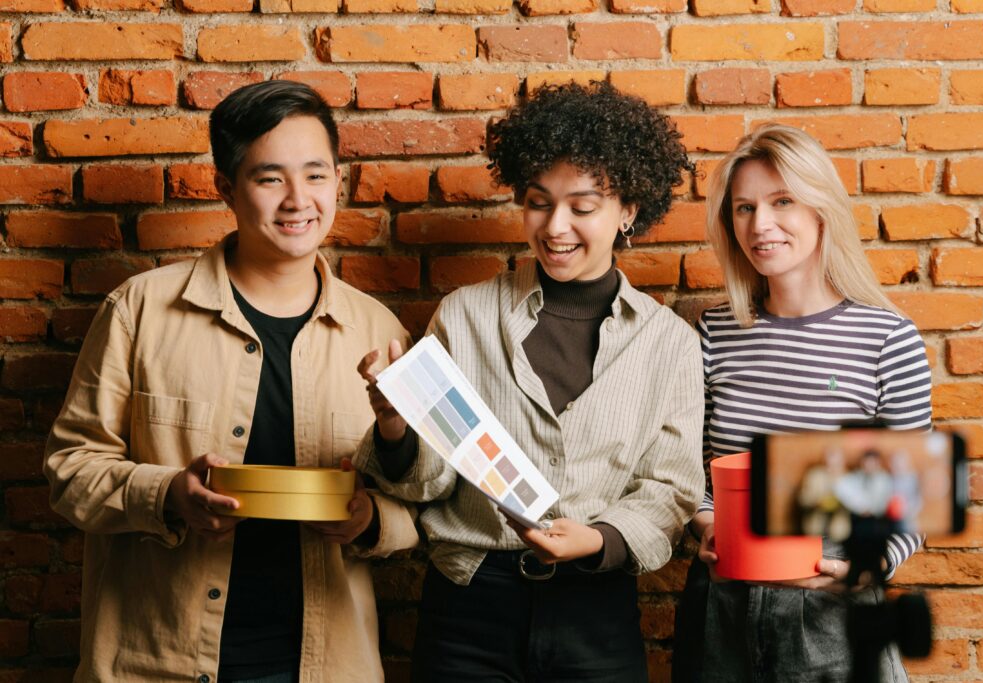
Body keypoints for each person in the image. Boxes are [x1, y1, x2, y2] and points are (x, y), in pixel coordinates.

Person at [43, 80, 419, 683]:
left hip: (325, 666)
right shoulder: (140, 310)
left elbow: (423, 499)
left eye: (316, 175)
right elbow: (69, 470)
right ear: (226, 187)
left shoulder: (381, 331)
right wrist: (168, 495)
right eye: (270, 178)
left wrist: (369, 521)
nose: (298, 200)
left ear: (339, 181)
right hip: (155, 662)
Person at [354, 81, 705, 682]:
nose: (555, 226)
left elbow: (670, 489)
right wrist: (394, 423)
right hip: (469, 610)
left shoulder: (668, 342)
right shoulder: (464, 315)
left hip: (595, 612)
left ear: (628, 212)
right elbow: (430, 482)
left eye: (583, 206)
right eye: (539, 202)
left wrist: (597, 540)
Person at [673, 124, 932, 683]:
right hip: (723, 608)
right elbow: (682, 469)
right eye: (743, 208)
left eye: (782, 201)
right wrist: (705, 524)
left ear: (821, 209)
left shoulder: (887, 338)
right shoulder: (714, 331)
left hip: (834, 616)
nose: (759, 225)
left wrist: (863, 569)